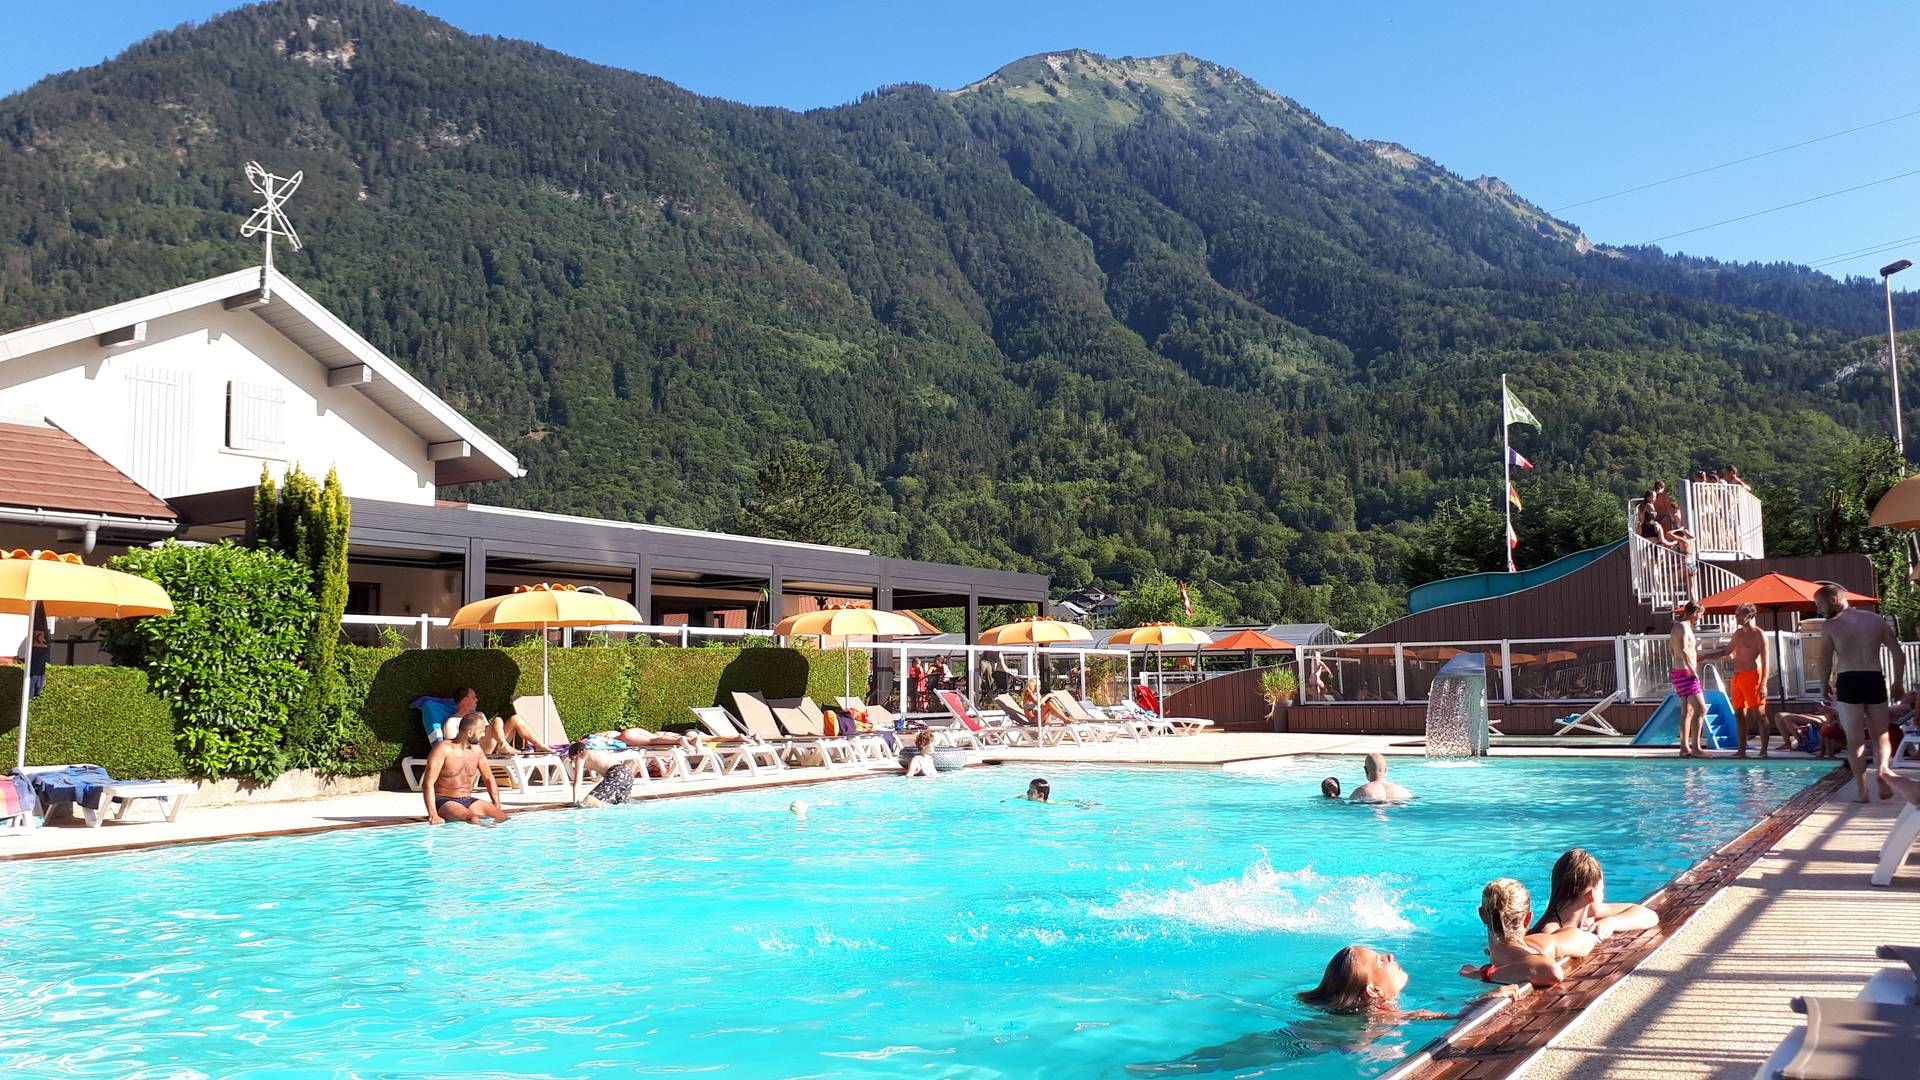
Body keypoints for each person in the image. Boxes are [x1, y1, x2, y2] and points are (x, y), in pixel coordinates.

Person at [1816, 583, 1904, 802]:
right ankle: (1883, 771)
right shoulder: (1875, 620)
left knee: (1855, 739)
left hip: (1848, 680)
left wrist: (1823, 683)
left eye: (1820, 605)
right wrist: (1897, 683)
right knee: (1881, 734)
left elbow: (1824, 661)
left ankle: (1863, 791)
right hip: (1874, 679)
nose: (1819, 610)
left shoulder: (1831, 625)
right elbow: (1898, 653)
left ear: (1834, 600)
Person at [1458, 878, 1594, 989]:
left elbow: (1552, 972)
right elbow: (1586, 939)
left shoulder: (1504, 953)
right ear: (1528, 919)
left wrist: (1484, 974)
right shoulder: (1538, 943)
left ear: (1482, 915)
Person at [1531, 849, 1657, 942]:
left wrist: (1610, 923)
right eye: (1601, 890)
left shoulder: (1589, 917)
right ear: (1591, 895)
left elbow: (1649, 916)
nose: (1603, 895)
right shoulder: (1550, 931)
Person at [423, 714, 510, 825]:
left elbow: (489, 778)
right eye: (481, 732)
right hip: (444, 800)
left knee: (503, 818)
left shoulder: (477, 751)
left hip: (467, 799)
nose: (484, 735)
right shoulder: (443, 749)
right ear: (470, 733)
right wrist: (433, 814)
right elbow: (428, 783)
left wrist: (496, 804)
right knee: (472, 818)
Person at [1668, 602, 1728, 758]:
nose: (1700, 617)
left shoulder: (1677, 627)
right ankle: (1696, 748)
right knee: (1701, 709)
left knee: (1687, 711)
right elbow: (1683, 649)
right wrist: (1691, 668)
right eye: (1700, 614)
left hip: (1678, 672)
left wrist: (1692, 660)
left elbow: (1672, 650)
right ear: (1694, 613)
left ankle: (1684, 748)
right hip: (1686, 673)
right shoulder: (1683, 627)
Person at [1726, 603, 1772, 758]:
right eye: (1736, 614)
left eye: (1739, 614)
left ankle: (1763, 751)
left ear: (1750, 615)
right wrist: (1704, 656)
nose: (1736, 617)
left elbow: (1765, 661)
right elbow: (1727, 650)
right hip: (1737, 676)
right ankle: (1741, 750)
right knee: (1738, 713)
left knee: (1759, 714)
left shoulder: (1759, 634)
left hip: (1752, 676)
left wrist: (1763, 684)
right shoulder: (1738, 633)